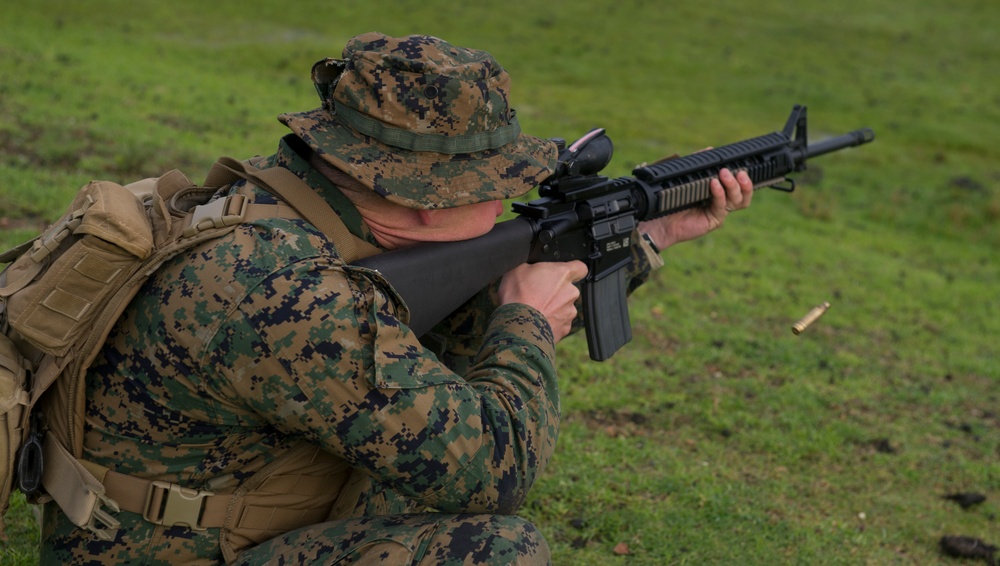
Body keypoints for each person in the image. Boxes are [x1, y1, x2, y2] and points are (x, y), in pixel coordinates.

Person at [38, 32, 752, 565]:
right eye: (494, 185)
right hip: (159, 553)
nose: (510, 199)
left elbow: (444, 329)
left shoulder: (270, 206)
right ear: (426, 201)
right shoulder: (290, 298)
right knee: (496, 549)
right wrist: (527, 320)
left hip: (153, 512)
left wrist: (644, 237)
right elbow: (493, 469)